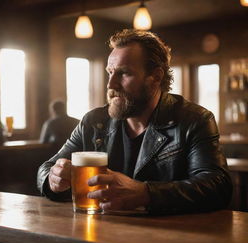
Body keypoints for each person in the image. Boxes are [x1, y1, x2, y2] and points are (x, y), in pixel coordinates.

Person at [37, 29, 232, 215]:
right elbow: (46, 168)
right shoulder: (93, 122)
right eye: (110, 72)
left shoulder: (194, 120)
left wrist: (146, 193)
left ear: (155, 77)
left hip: (170, 240)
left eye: (123, 73)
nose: (111, 84)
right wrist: (52, 179)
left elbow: (217, 186)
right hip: (101, 234)